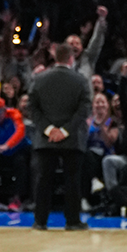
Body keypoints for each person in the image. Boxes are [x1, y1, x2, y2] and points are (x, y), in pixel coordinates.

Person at [29, 43, 92, 231]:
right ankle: (72, 221)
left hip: (45, 138)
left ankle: (40, 221)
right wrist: (64, 131)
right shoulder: (80, 80)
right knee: (72, 180)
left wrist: (49, 130)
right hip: (71, 139)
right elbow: (84, 110)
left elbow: (32, 108)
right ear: (71, 58)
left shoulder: (39, 79)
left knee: (43, 180)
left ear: (55, 57)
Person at [67, 5, 108, 79]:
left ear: (81, 47)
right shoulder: (60, 62)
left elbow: (97, 41)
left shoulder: (88, 57)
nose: (75, 46)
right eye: (71, 44)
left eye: (77, 44)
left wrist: (101, 19)